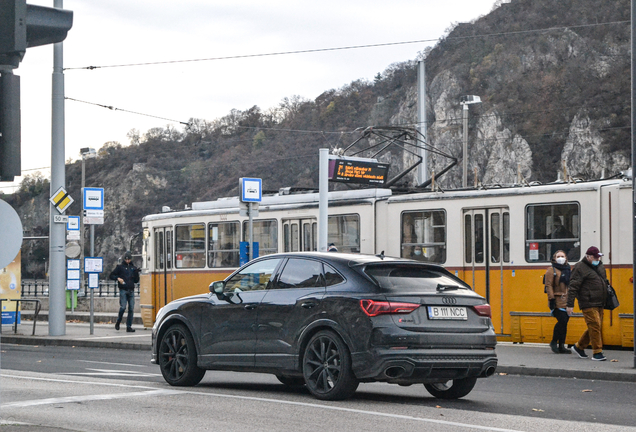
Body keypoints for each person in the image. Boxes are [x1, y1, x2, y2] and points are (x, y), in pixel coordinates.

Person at [566, 246, 608, 361]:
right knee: (595, 325)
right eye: (595, 257)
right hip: (587, 302)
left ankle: (579, 346)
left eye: (598, 257)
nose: (598, 260)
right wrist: (570, 304)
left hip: (600, 302)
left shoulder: (599, 266)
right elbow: (573, 286)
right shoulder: (580, 267)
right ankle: (597, 352)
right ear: (588, 257)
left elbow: (604, 281)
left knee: (595, 326)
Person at [545, 250, 571, 354]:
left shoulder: (568, 269)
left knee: (565, 323)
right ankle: (554, 341)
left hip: (567, 300)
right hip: (557, 300)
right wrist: (551, 299)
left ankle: (561, 345)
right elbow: (549, 285)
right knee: (562, 320)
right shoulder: (551, 270)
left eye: (562, 256)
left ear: (566, 258)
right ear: (554, 258)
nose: (561, 258)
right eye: (558, 256)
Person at [109, 251, 140, 332]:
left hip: (131, 290)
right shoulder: (120, 267)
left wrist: (136, 273)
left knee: (131, 309)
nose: (127, 261)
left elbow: (136, 280)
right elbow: (111, 275)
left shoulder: (133, 268)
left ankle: (128, 326)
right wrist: (118, 278)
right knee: (123, 307)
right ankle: (118, 321)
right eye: (126, 259)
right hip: (123, 289)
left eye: (129, 259)